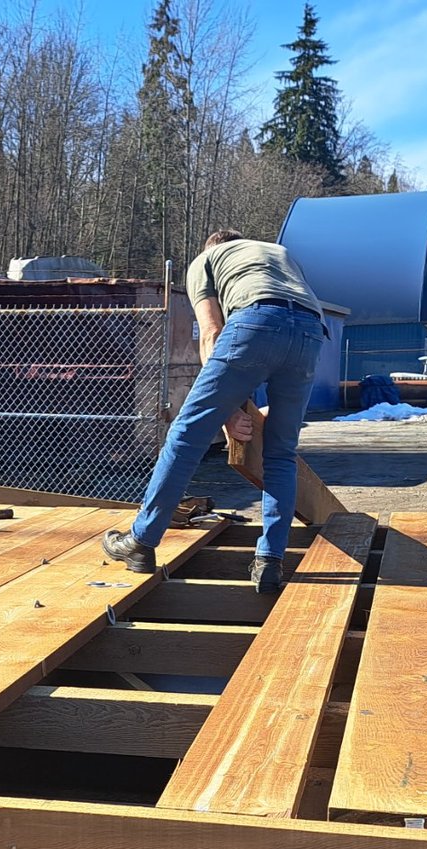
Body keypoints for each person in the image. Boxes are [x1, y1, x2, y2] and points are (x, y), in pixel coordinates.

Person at [102, 228, 325, 595]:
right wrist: (237, 406)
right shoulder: (278, 253)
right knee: (281, 453)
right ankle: (270, 560)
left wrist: (225, 414)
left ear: (212, 248)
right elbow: (287, 317)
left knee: (186, 436)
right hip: (311, 333)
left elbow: (212, 333)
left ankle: (141, 541)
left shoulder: (205, 261)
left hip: (255, 321)